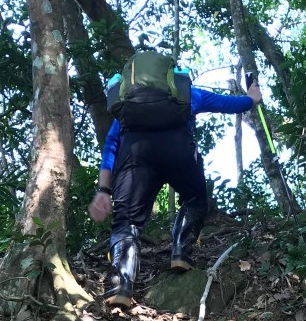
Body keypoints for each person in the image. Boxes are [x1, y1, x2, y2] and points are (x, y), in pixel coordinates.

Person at [89, 67, 262, 308]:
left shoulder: (126, 107)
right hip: (179, 151)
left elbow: (110, 145)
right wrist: (252, 98)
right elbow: (231, 104)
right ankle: (180, 251)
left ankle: (122, 285)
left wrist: (104, 190)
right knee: (195, 199)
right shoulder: (186, 94)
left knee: (126, 220)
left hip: (135, 156)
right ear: (170, 78)